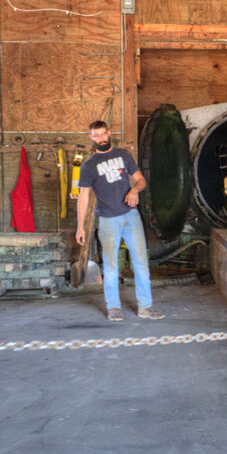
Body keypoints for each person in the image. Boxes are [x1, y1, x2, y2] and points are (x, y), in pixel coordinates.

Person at [75, 120, 164, 322]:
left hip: (131, 216)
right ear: (91, 138)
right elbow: (84, 198)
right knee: (111, 265)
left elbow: (141, 180)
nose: (101, 138)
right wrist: (80, 227)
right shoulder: (88, 166)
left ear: (109, 133)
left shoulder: (124, 155)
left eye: (103, 134)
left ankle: (146, 306)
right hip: (107, 220)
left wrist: (134, 190)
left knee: (141, 263)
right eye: (96, 135)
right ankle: (114, 307)